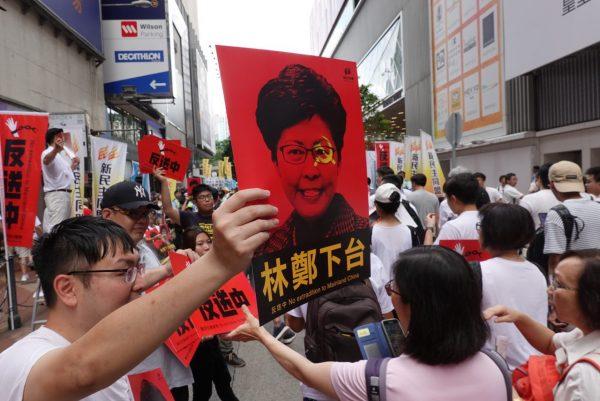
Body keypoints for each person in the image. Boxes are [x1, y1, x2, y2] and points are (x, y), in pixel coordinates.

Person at [0, 188, 277, 401]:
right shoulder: (22, 361)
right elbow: (81, 371)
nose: (139, 284)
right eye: (124, 272)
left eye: (136, 270)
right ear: (67, 289)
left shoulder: (119, 372)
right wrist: (219, 263)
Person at [229, 246, 508, 401]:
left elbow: (305, 371)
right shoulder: (496, 365)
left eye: (393, 288)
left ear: (413, 302)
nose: (389, 293)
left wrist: (261, 335)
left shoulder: (383, 378)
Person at [99, 181, 194, 393]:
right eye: (133, 213)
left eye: (145, 214)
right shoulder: (95, 258)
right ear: (107, 215)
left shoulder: (147, 247)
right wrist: (168, 269)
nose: (142, 221)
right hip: (137, 374)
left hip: (173, 363)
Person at [485, 250, 600, 400]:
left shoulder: (584, 377)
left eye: (558, 284)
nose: (549, 290)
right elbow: (550, 344)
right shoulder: (584, 333)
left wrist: (514, 396)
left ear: (588, 298)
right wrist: (518, 317)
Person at [285, 252, 393, 401]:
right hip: (366, 383)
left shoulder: (302, 264)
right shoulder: (370, 259)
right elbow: (387, 319)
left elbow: (294, 325)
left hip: (320, 385)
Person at [478, 203, 548, 370]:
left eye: (481, 226)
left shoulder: (479, 270)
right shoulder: (537, 270)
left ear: (490, 232)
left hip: (498, 368)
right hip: (538, 366)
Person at [178, 227, 240, 401]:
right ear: (190, 248)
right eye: (200, 244)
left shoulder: (215, 268)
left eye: (208, 242)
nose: (206, 247)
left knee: (223, 382)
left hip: (213, 340)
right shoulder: (182, 275)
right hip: (196, 344)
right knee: (203, 389)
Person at [544, 161, 600, 276]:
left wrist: (554, 285)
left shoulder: (557, 213)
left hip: (574, 280)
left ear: (552, 184)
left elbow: (555, 257)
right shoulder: (598, 206)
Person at [372, 184, 417, 281]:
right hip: (404, 286)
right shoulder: (410, 230)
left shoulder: (371, 231)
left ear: (376, 206)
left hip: (379, 289)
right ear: (398, 205)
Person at [41, 128, 79, 233]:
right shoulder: (47, 152)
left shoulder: (59, 156)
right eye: (59, 136)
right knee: (57, 229)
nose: (62, 138)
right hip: (57, 195)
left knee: (54, 228)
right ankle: (53, 249)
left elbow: (62, 176)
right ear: (54, 138)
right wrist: (55, 150)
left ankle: (48, 248)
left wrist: (73, 166)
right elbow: (46, 160)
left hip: (59, 195)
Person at [425, 173, 480, 245]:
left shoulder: (452, 227)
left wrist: (429, 228)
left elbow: (430, 254)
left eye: (447, 198)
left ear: (453, 199)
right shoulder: (492, 221)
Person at [519, 163, 560, 230]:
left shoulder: (528, 199)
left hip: (536, 238)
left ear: (539, 178)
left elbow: (521, 225)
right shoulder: (568, 198)